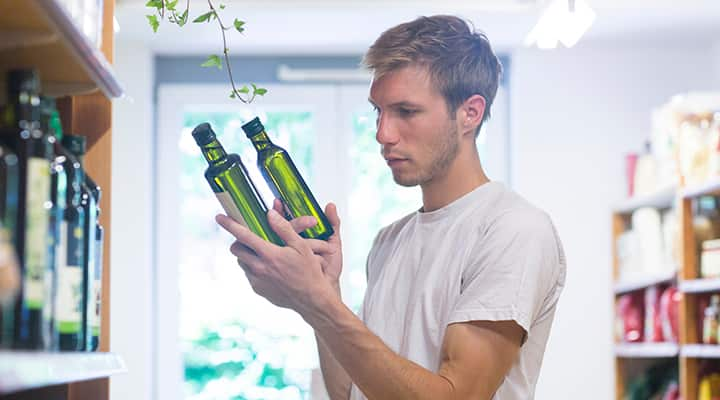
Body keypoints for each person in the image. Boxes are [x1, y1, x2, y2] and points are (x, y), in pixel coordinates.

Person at [216, 14, 566, 400]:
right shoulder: (389, 242)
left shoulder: (513, 230)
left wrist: (316, 302)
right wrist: (324, 292)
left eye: (406, 111)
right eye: (378, 112)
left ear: (470, 112)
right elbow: (349, 393)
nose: (383, 133)